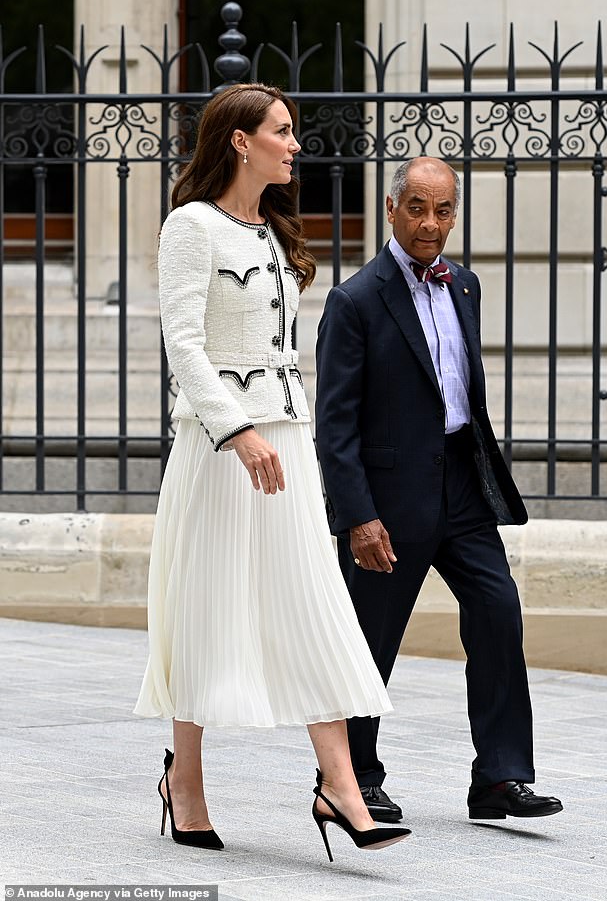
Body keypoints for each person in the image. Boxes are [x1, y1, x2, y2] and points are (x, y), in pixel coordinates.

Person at [133, 83, 410, 861]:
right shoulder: (191, 227)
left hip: (286, 442)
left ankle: (341, 786)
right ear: (238, 141)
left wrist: (279, 435)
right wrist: (237, 429)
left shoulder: (274, 232)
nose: (295, 144)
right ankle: (183, 782)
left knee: (310, 601)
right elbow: (184, 344)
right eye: (282, 132)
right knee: (204, 605)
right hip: (224, 449)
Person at [315, 156, 563, 824]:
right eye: (418, 207)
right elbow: (333, 425)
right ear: (392, 208)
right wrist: (357, 516)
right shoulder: (356, 300)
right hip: (388, 499)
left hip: (460, 484)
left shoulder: (465, 286)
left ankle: (500, 776)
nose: (430, 223)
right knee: (368, 639)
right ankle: (352, 778)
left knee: (497, 610)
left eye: (443, 209)